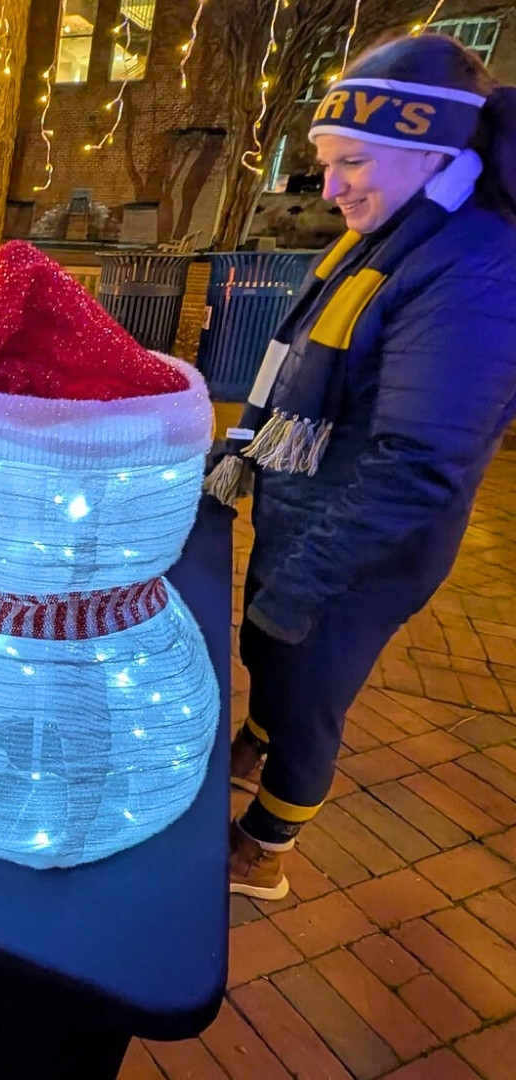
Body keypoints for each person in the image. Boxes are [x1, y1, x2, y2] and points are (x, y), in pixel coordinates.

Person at [203, 33, 516, 900]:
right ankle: (259, 740)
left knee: (312, 692)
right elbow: (292, 354)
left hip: (359, 551)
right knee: (272, 653)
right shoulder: (388, 235)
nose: (330, 187)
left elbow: (420, 464)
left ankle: (267, 844)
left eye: (351, 164)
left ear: (433, 155)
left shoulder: (475, 268)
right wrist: (242, 453)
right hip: (308, 514)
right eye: (325, 163)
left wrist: (301, 584)